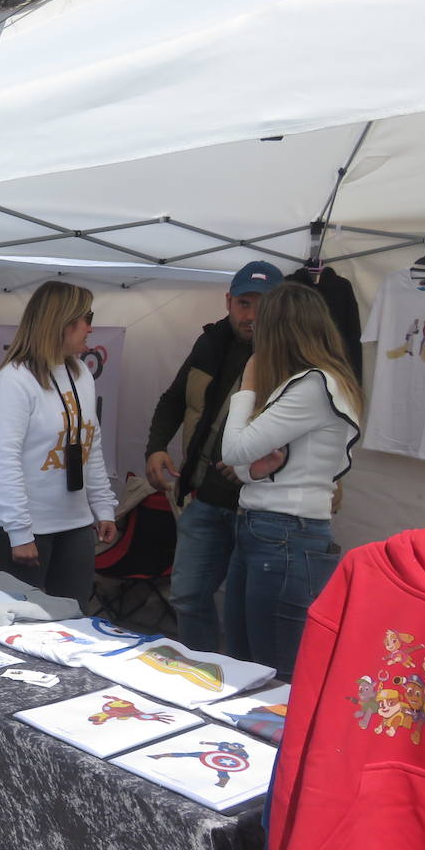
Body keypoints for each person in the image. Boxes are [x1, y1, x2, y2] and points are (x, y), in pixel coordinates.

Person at [219, 282, 362, 677]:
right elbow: (246, 465)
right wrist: (255, 469)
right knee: (247, 663)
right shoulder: (308, 383)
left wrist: (247, 386)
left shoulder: (314, 385)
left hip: (284, 533)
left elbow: (232, 451)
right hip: (270, 529)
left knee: (271, 672)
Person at [143, 260, 284, 649]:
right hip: (205, 496)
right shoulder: (211, 341)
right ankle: (201, 671)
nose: (251, 315)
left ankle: (244, 689)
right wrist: (156, 447)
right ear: (228, 301)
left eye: (263, 304)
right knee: (187, 596)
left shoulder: (294, 355)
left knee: (249, 613)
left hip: (259, 507)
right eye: (243, 303)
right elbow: (173, 400)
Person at [0, 281, 117, 602]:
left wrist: (104, 508)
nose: (90, 328)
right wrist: (20, 532)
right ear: (63, 321)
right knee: (19, 625)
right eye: (87, 317)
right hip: (22, 528)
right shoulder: (13, 382)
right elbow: (2, 461)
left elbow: (90, 445)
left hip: (75, 524)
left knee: (71, 621)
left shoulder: (80, 372)